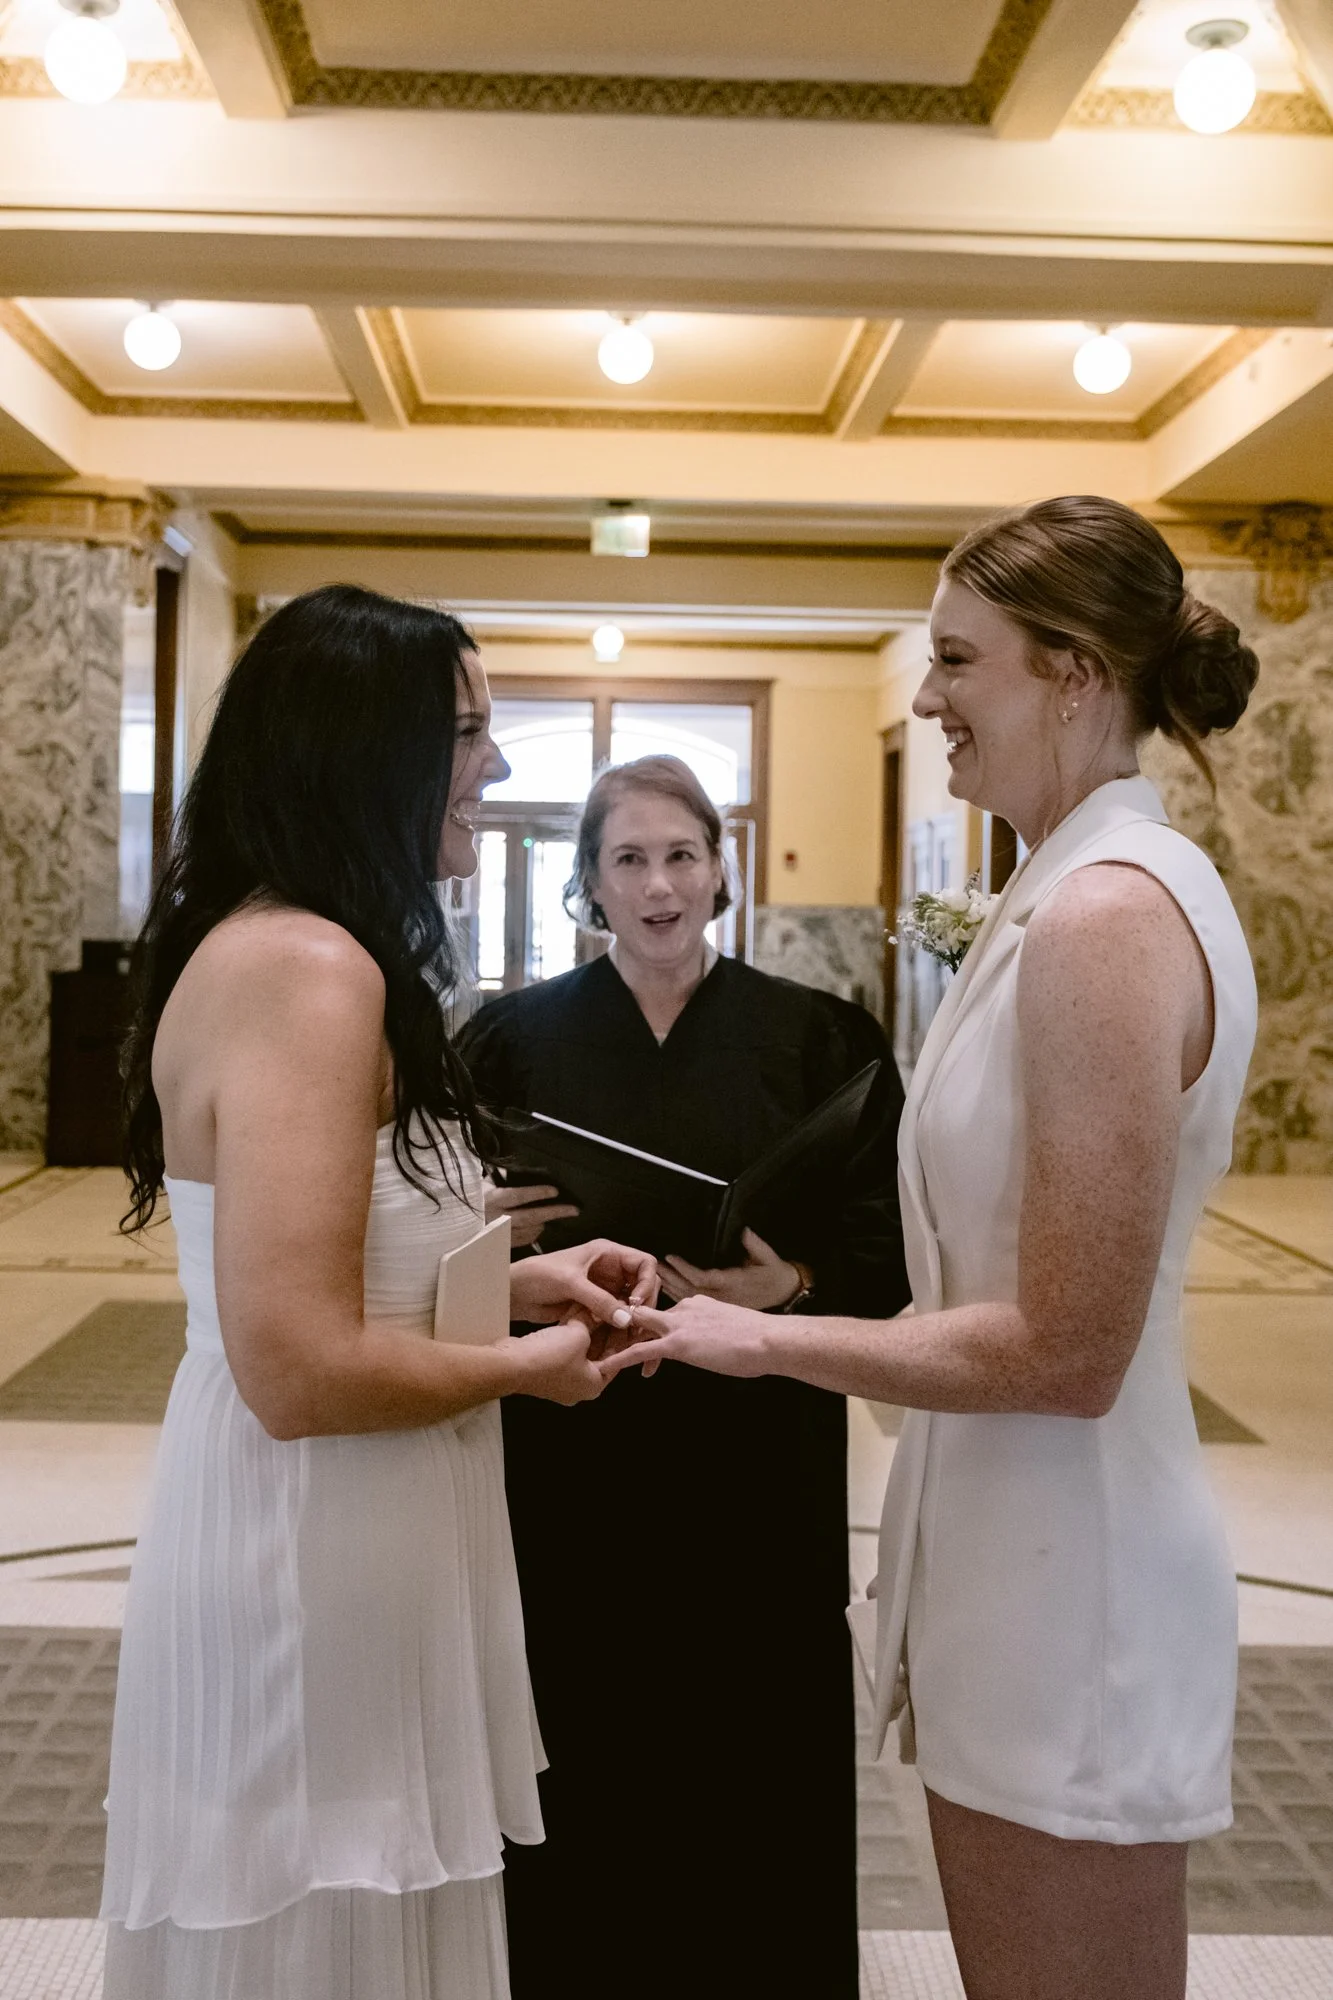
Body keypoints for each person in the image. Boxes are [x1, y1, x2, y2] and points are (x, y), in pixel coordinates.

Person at [605, 498, 1260, 2000]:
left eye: (960, 660)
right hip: (1005, 1545)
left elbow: (1064, 1347)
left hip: (1069, 1567)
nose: (926, 699)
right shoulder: (1060, 893)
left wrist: (756, 1340)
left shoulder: (1104, 921)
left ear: (1076, 671)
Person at [102, 585, 656, 2000]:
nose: (501, 767)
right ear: (366, 754)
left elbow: (332, 1267)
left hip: (360, 1521)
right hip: (313, 1541)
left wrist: (515, 1286)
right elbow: (293, 1365)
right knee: (321, 1925)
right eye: (469, 733)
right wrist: (524, 1374)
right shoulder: (307, 971)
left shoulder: (304, 948)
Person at [458, 755, 910, 2000]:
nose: (658, 885)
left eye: (681, 855)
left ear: (722, 869)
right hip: (571, 1436)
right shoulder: (505, 1039)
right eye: (627, 858)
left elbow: (891, 1247)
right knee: (577, 1718)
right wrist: (478, 1227)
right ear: (588, 884)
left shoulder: (823, 1035)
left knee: (749, 1739)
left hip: (753, 1444)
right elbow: (426, 1246)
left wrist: (791, 1289)